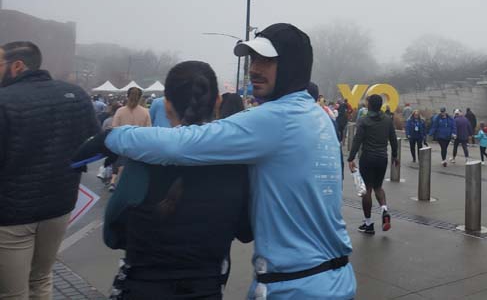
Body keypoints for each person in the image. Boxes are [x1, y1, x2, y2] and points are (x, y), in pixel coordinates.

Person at [84, 23, 356, 299]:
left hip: (296, 286)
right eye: (253, 59)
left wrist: (113, 137)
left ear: (292, 66)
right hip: (336, 279)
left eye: (266, 60)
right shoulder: (318, 116)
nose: (254, 68)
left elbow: (183, 145)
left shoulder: (276, 118)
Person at [103, 61, 252, 299]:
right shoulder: (237, 166)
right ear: (217, 102)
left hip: (141, 287)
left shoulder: (142, 162)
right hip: (207, 287)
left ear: (167, 105)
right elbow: (246, 230)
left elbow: (112, 235)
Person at [0, 42, 99, 300]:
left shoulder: (3, 102)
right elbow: (95, 146)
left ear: (17, 66)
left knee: (12, 292)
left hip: (11, 216)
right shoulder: (76, 95)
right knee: (42, 278)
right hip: (60, 206)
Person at [347, 94, 399, 235]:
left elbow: (357, 141)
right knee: (378, 187)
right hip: (382, 158)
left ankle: (368, 224)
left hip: (368, 158)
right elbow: (393, 140)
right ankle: (384, 210)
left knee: (367, 190)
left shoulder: (364, 121)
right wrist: (395, 155)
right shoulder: (388, 120)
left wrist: (351, 158)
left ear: (369, 105)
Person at [109, 87, 152, 191]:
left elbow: (114, 128)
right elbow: (149, 130)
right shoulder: (145, 112)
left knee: (120, 164)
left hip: (122, 144)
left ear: (127, 96)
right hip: (138, 146)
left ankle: (115, 182)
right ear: (140, 98)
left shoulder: (120, 111)